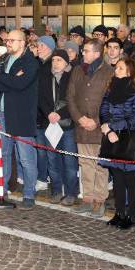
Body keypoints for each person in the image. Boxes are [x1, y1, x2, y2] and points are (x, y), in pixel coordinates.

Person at [0, 29, 40, 209]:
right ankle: (1, 187)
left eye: (12, 40)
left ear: (23, 43)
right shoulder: (2, 60)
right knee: (3, 154)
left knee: (26, 159)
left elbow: (21, 84)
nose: (8, 43)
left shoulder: (31, 62)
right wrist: (7, 79)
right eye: (7, 40)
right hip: (1, 115)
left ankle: (29, 193)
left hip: (21, 116)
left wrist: (2, 79)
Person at [66, 39, 115, 217]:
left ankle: (99, 200)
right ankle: (87, 198)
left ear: (96, 53)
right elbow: (70, 97)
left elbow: (111, 100)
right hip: (81, 126)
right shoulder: (78, 70)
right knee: (85, 163)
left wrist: (96, 120)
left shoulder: (109, 72)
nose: (83, 53)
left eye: (86, 51)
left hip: (99, 126)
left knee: (100, 164)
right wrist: (80, 118)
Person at [98, 57, 135, 229]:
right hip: (111, 136)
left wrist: (112, 127)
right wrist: (107, 128)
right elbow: (103, 109)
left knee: (130, 179)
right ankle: (119, 213)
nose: (115, 70)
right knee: (117, 177)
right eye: (116, 67)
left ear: (129, 71)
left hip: (128, 138)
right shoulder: (110, 89)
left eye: (119, 68)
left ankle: (131, 216)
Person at [38, 49, 78, 205]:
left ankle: (70, 192)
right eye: (53, 60)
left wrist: (60, 114)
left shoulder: (72, 76)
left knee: (69, 160)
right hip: (51, 124)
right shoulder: (46, 76)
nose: (55, 63)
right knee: (53, 159)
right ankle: (56, 190)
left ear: (66, 62)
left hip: (67, 125)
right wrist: (48, 113)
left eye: (59, 60)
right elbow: (41, 98)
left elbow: (75, 99)